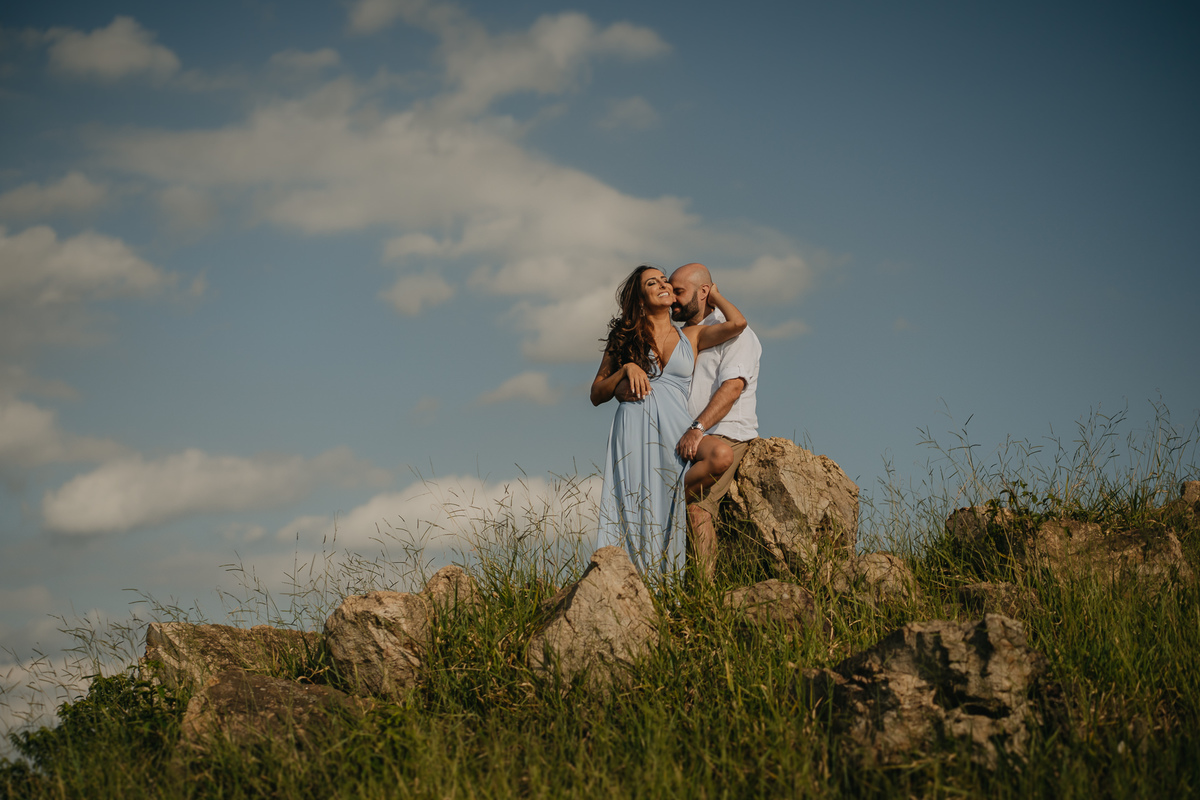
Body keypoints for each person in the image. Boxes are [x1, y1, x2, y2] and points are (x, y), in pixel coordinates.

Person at [591, 265, 747, 581]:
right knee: (634, 502)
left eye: (665, 280)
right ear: (640, 297)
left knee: (706, 464)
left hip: (677, 426)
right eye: (654, 282)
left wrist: (712, 292)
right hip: (634, 425)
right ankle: (627, 583)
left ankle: (667, 587)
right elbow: (597, 393)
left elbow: (738, 324)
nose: (664, 284)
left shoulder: (692, 335)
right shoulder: (623, 336)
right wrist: (626, 369)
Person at [667, 262, 762, 581]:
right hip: (686, 440)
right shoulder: (682, 336)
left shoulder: (736, 333)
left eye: (679, 292)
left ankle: (704, 595)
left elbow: (732, 387)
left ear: (704, 291)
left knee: (697, 507)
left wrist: (698, 428)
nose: (672, 299)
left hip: (724, 436)